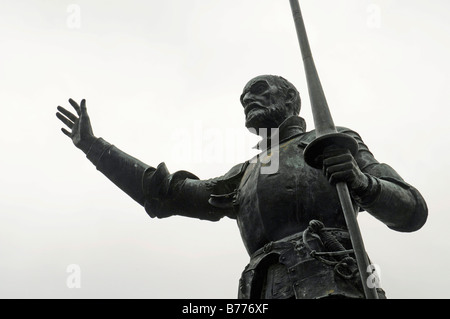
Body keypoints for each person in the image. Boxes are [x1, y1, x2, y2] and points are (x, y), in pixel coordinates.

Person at [56, 74, 428, 299]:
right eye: (243, 97)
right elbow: (163, 194)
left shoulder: (332, 140)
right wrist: (94, 146)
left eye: (260, 89)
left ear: (290, 99)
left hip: (335, 284)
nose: (248, 99)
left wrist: (363, 182)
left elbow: (411, 210)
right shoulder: (246, 173)